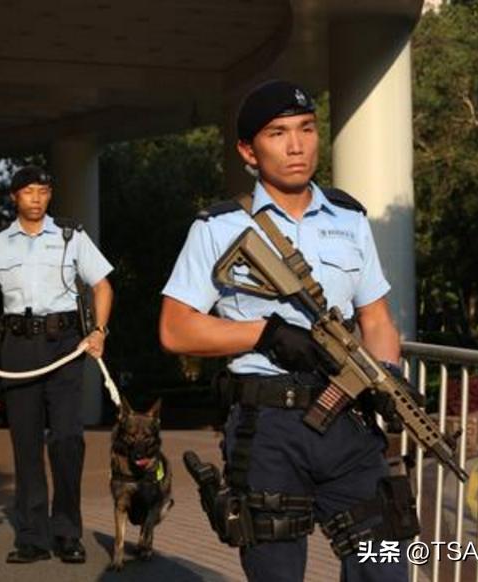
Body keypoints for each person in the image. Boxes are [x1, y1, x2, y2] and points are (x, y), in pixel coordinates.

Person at [158, 80, 409, 581]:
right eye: (278, 133)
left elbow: (376, 319)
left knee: (384, 564)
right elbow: (175, 329)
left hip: (348, 422)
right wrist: (263, 335)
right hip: (267, 428)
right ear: (248, 151)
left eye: (306, 129)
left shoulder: (350, 219)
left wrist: (386, 376)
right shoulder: (218, 227)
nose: (297, 146)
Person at [0, 166, 114, 564]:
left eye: (43, 191)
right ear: (14, 196)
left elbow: (102, 285)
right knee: (26, 442)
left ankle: (67, 533)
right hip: (19, 347)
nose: (37, 198)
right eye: (29, 191)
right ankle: (32, 538)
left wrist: (99, 331)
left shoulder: (71, 236)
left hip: (65, 344)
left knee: (67, 440)